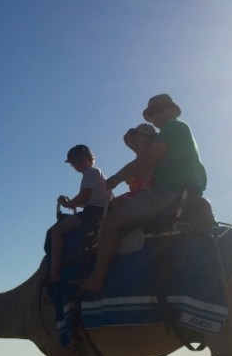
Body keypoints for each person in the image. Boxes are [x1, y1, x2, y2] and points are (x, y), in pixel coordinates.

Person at [78, 94, 207, 293]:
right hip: (181, 193)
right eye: (153, 113)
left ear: (173, 110)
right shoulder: (178, 134)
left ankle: (96, 279)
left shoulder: (174, 128)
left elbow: (145, 162)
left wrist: (114, 179)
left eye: (161, 110)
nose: (156, 115)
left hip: (165, 194)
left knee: (110, 223)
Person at [48, 144, 112, 284]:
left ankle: (54, 274)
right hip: (99, 212)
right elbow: (90, 199)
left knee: (55, 231)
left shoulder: (90, 173)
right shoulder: (98, 174)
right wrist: (72, 203)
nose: (77, 164)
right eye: (74, 162)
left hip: (92, 213)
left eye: (80, 159)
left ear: (90, 159)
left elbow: (84, 196)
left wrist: (67, 204)